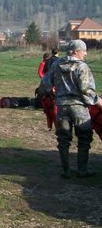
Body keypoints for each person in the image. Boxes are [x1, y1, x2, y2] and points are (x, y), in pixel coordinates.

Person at [41, 40, 102, 178]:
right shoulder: (82, 67)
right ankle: (82, 170)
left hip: (61, 107)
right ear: (75, 51)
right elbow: (87, 91)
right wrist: (99, 103)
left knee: (63, 139)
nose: (85, 54)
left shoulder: (56, 64)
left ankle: (66, 171)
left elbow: (45, 84)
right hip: (79, 107)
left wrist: (52, 93)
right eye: (84, 51)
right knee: (84, 138)